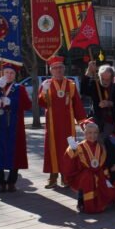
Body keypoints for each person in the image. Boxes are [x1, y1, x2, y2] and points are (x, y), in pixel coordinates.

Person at [39, 56, 87, 189]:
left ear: (64, 69)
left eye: (60, 67)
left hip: (68, 125)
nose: (58, 70)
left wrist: (83, 122)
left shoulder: (71, 85)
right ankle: (53, 177)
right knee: (52, 150)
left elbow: (77, 105)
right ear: (51, 70)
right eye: (55, 68)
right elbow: (41, 103)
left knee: (68, 150)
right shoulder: (46, 84)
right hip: (52, 124)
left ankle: (66, 177)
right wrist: (43, 91)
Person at [63, 120, 115, 213]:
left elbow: (103, 165)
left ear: (98, 134)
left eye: (95, 133)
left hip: (99, 174)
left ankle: (97, 201)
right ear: (85, 133)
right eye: (89, 133)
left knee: (108, 189)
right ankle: (81, 201)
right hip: (82, 176)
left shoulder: (101, 148)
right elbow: (70, 161)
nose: (92, 135)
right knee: (87, 177)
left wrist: (106, 177)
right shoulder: (79, 147)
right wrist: (72, 150)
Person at [0, 63, 32, 193]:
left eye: (12, 73)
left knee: (15, 152)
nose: (9, 75)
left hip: (14, 125)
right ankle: (1, 182)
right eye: (6, 72)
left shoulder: (19, 88)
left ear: (15, 75)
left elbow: (28, 105)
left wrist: (13, 102)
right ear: (2, 73)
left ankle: (12, 182)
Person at [82, 63, 115, 138]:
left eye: (108, 80)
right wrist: (89, 71)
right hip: (98, 122)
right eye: (103, 79)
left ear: (112, 78)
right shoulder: (95, 85)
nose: (105, 82)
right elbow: (83, 90)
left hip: (114, 123)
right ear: (99, 77)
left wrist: (110, 103)